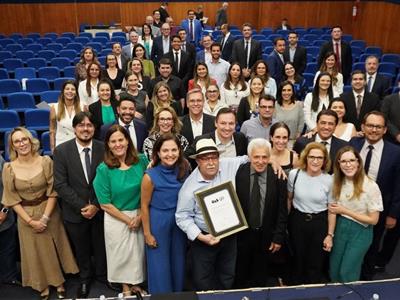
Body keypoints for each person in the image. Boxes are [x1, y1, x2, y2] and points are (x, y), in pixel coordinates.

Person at [2, 127, 78, 299]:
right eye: (17, 141)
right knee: (33, 251)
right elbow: (11, 198)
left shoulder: (45, 161)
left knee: (52, 248)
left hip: (50, 211)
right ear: (12, 146)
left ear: (31, 141)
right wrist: (30, 221)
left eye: (24, 139)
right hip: (25, 215)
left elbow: (53, 191)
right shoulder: (8, 168)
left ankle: (59, 282)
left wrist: (44, 217)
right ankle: (41, 284)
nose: (22, 144)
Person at [175, 138, 248, 291]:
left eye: (214, 157)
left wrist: (273, 160)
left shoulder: (228, 165)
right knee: (202, 279)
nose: (211, 162)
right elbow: (182, 217)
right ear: (198, 161)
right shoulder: (189, 187)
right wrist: (201, 237)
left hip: (229, 235)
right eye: (205, 158)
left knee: (227, 275)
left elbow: (250, 157)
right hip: (204, 239)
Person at [54, 112, 109, 298]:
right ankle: (85, 279)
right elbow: (60, 184)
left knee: (101, 246)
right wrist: (82, 207)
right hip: (74, 212)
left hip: (100, 210)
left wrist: (95, 205)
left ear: (94, 128)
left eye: (89, 125)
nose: (86, 129)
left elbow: (108, 180)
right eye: (81, 125)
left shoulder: (104, 148)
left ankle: (103, 276)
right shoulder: (61, 151)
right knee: (81, 248)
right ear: (74, 128)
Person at [93, 125, 148, 296]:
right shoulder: (104, 169)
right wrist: (128, 220)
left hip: (140, 213)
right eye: (113, 141)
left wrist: (139, 217)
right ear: (108, 144)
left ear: (127, 141)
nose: (118, 144)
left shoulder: (141, 160)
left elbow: (148, 189)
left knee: (138, 254)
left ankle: (137, 284)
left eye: (121, 140)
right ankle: (126, 288)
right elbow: (104, 203)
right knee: (122, 255)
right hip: (116, 217)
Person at [349, 111, 400, 280]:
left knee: (372, 246)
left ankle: (365, 280)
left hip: (378, 210)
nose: (374, 130)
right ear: (363, 127)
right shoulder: (353, 144)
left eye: (378, 126)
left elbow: (398, 186)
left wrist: (393, 214)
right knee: (349, 245)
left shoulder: (395, 152)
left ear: (385, 130)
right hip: (350, 206)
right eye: (370, 125)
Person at [235, 138, 288, 288]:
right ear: (249, 157)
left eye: (264, 157)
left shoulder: (278, 177)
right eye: (256, 157)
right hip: (242, 236)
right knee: (240, 276)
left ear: (269, 158)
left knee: (261, 277)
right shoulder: (239, 172)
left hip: (266, 236)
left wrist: (278, 237)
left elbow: (282, 211)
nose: (260, 161)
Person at [141, 133, 190, 294]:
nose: (170, 154)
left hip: (179, 223)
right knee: (159, 267)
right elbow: (144, 206)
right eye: (165, 150)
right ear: (158, 153)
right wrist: (147, 234)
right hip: (158, 223)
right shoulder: (150, 176)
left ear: (179, 151)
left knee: (178, 264)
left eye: (174, 150)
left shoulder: (184, 169)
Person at [329, 146, 383, 282]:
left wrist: (345, 211)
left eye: (352, 160)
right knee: (334, 269)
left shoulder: (370, 186)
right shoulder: (335, 180)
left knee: (347, 272)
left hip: (361, 231)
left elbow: (373, 220)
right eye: (343, 161)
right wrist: (330, 235)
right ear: (338, 164)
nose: (348, 165)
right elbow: (332, 210)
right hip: (340, 227)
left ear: (358, 162)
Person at [287, 142, 333, 284]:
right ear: (305, 158)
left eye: (320, 158)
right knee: (296, 257)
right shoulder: (294, 174)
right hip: (297, 220)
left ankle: (312, 290)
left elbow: (332, 210)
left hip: (320, 223)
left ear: (325, 160)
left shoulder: (330, 180)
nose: (315, 161)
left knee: (315, 260)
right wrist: (285, 225)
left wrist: (330, 235)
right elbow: (289, 199)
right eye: (312, 157)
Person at [0, 155, 20, 287]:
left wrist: (4, 211)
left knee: (8, 248)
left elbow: (8, 188)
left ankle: (10, 276)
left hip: (3, 214)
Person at [49, 80, 82, 151]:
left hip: (79, 143)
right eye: (67, 89)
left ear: (76, 93)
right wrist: (52, 147)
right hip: (61, 143)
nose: (70, 91)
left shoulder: (82, 107)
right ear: (63, 92)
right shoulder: (54, 107)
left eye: (73, 89)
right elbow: (52, 129)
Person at [274, 81, 304, 147]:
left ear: (292, 92)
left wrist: (296, 140)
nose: (286, 93)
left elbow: (301, 124)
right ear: (280, 92)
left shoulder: (298, 106)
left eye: (289, 90)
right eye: (284, 90)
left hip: (292, 141)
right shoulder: (274, 105)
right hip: (276, 142)